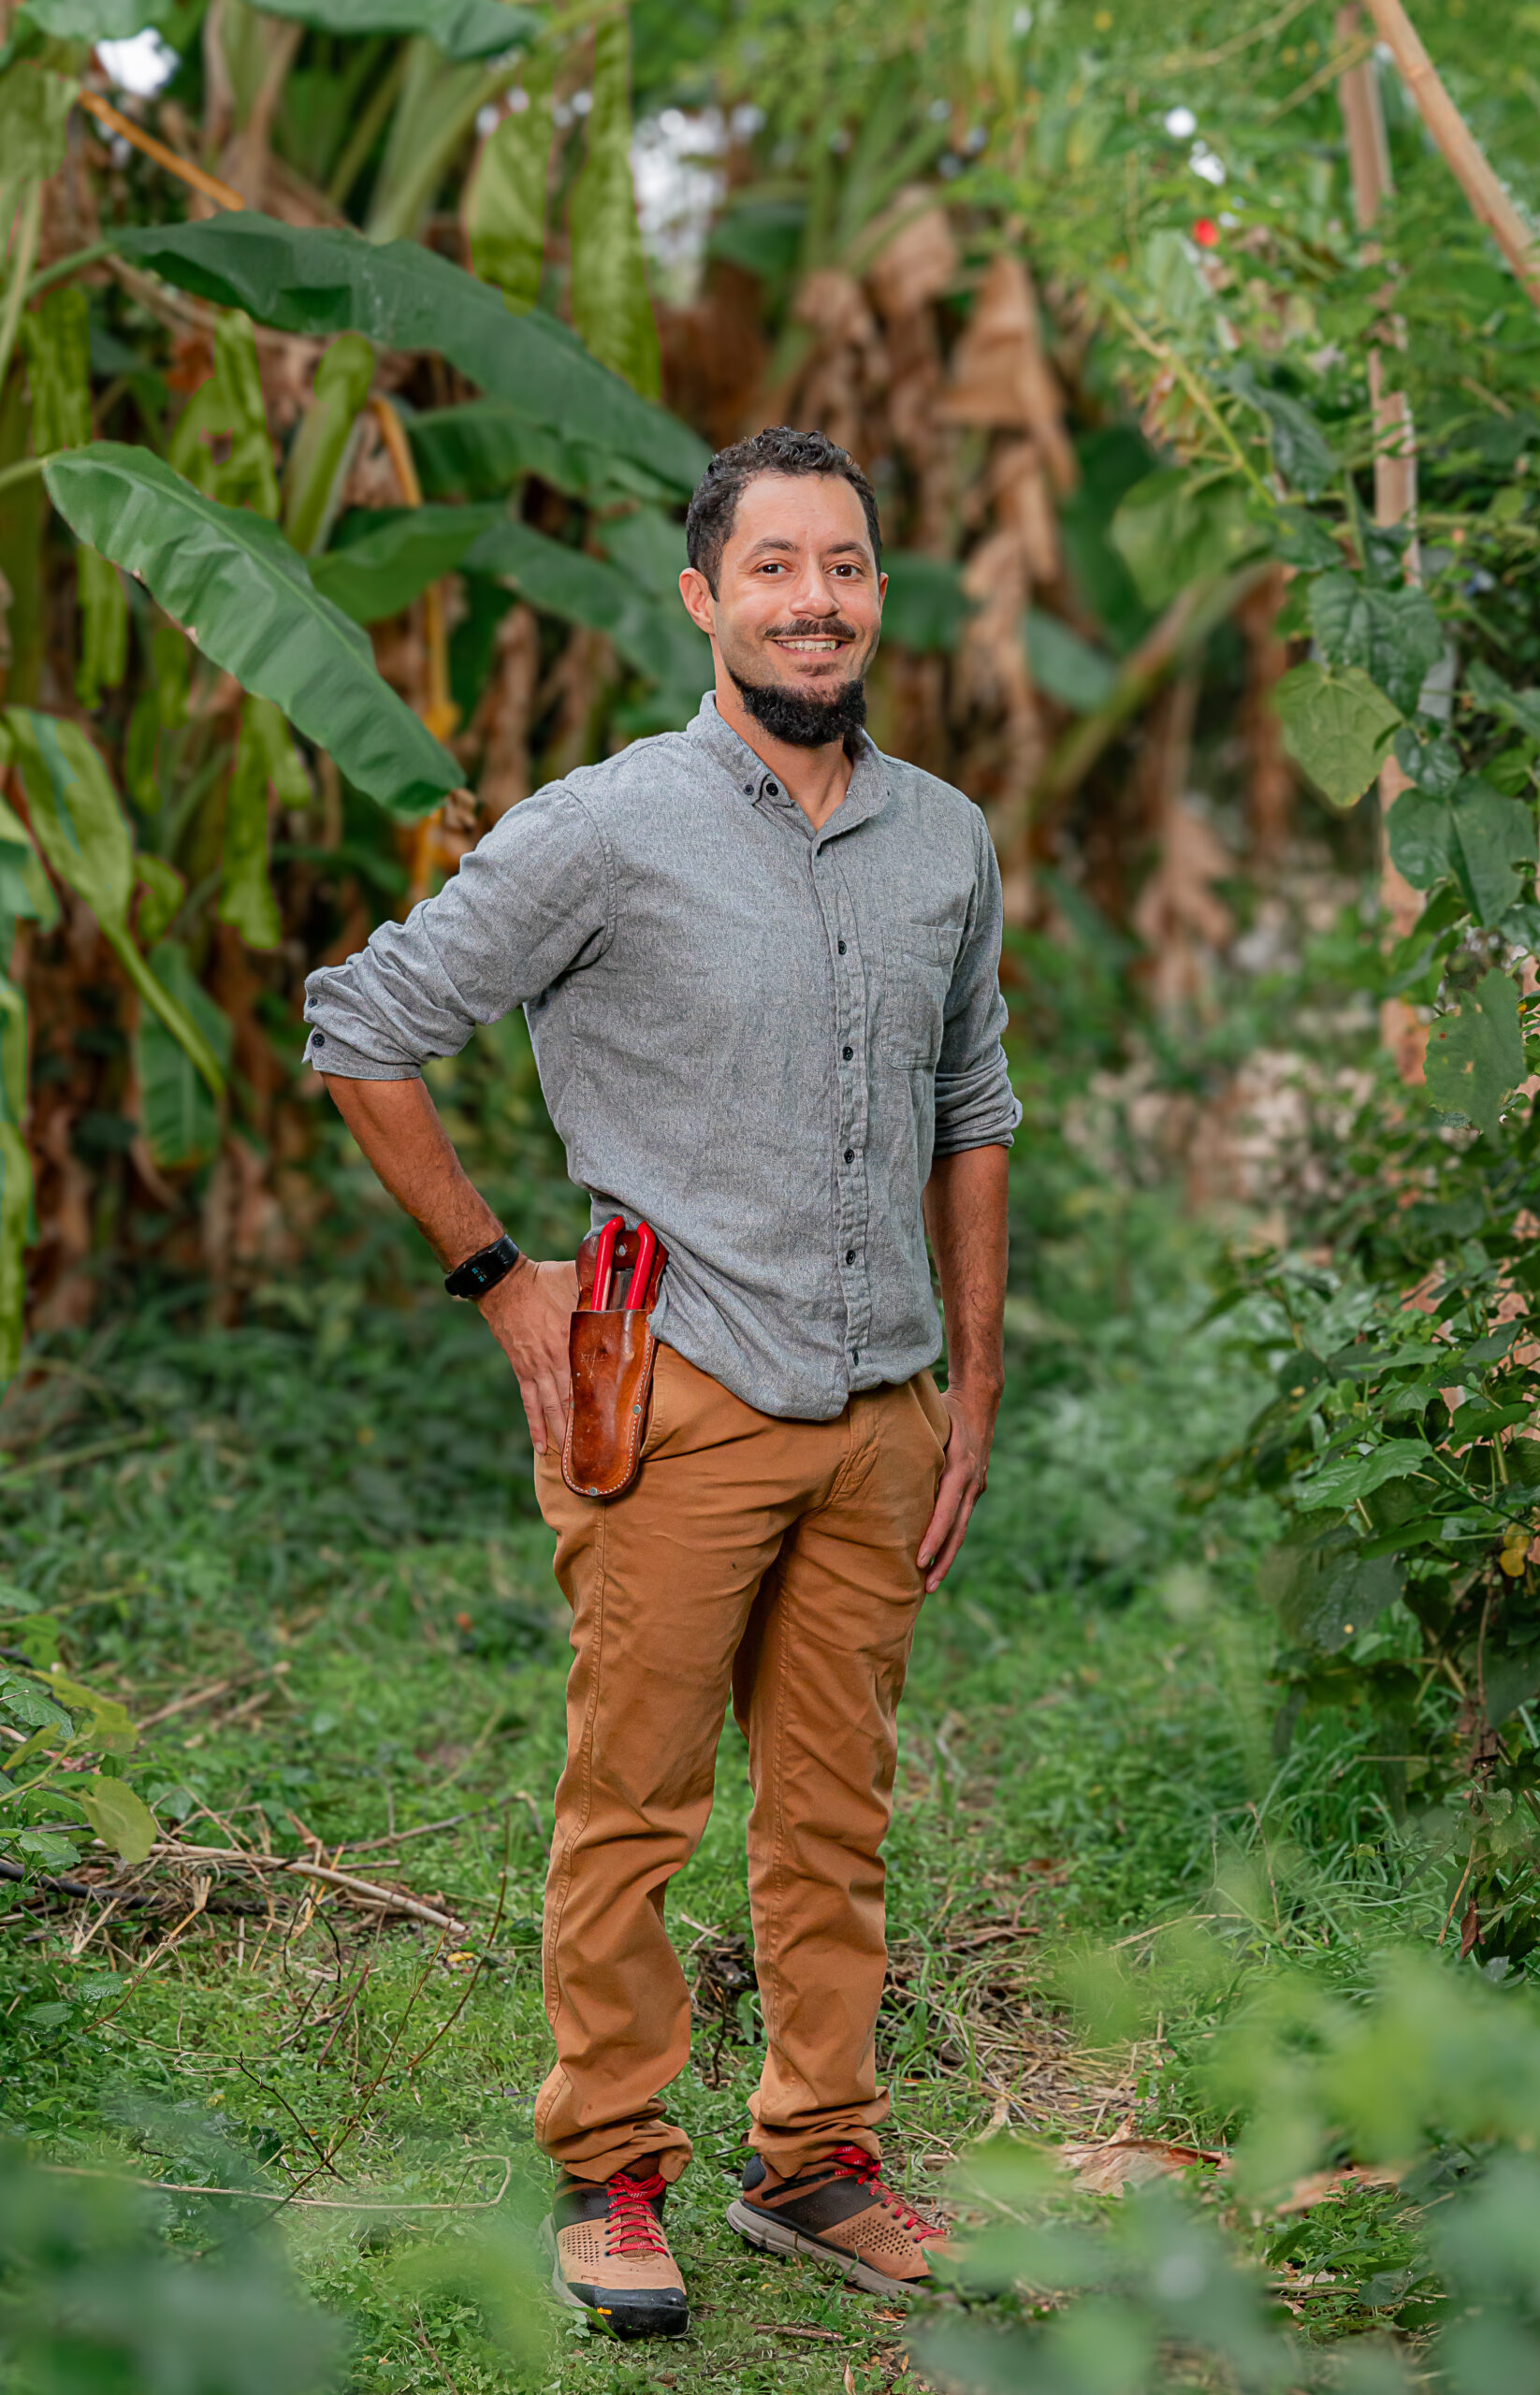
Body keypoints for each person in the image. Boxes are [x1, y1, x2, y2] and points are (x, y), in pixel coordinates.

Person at [301, 426, 1018, 2342]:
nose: (813, 599)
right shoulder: (605, 825)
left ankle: (816, 2157)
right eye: (771, 566)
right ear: (702, 597)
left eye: (844, 565)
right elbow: (361, 1023)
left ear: (876, 592)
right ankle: (612, 2166)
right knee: (633, 1801)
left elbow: (970, 1111)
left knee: (834, 1806)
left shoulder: (941, 833)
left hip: (878, 1402)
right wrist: (494, 1277)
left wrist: (971, 1384)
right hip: (678, 1387)